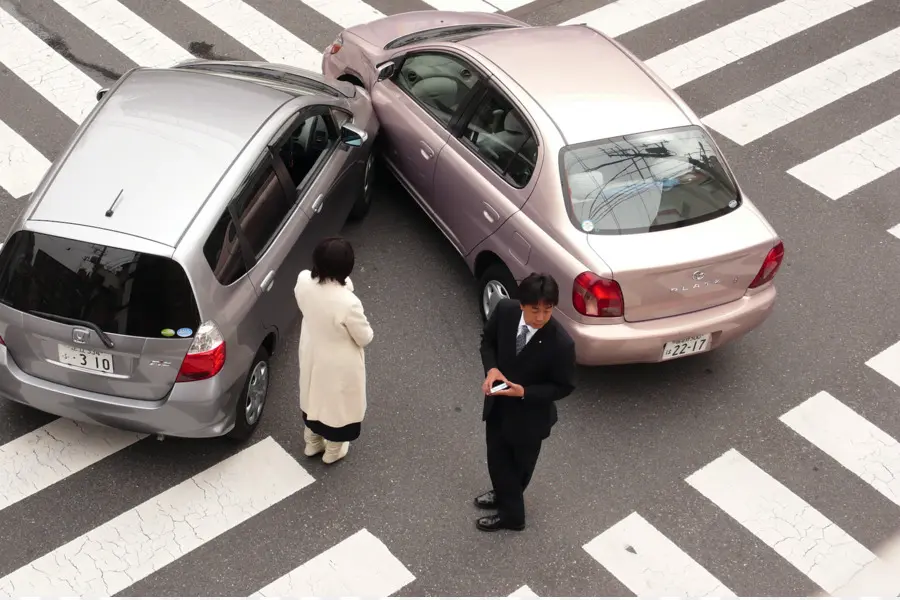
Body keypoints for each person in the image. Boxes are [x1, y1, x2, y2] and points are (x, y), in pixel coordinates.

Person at [474, 272, 576, 532]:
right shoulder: (505, 311)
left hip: (530, 418)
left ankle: (512, 517)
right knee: (496, 459)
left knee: (519, 468)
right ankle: (503, 495)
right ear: (521, 304)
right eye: (534, 310)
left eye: (547, 310)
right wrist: (492, 369)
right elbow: (488, 342)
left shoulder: (561, 344)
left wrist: (524, 392)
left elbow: (564, 386)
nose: (540, 317)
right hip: (498, 406)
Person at [294, 237, 374, 464]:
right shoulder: (349, 303)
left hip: (312, 350)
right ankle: (333, 450)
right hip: (339, 361)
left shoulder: (302, 281)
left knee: (312, 396)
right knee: (338, 406)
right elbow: (365, 337)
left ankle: (312, 442)